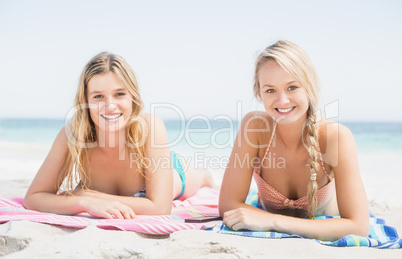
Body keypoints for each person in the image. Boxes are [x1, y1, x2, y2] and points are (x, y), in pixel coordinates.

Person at [24, 52, 212, 219]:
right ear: (86, 101)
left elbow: (161, 208)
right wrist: (84, 203)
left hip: (170, 169)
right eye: (98, 97)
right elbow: (33, 198)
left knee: (199, 178)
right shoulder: (73, 134)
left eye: (119, 94)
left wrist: (90, 195)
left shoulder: (150, 127)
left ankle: (205, 175)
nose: (110, 106)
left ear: (132, 97)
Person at [219, 40, 369, 241]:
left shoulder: (336, 137)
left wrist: (273, 222)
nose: (282, 101)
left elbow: (358, 227)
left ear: (309, 86)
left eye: (292, 87)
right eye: (270, 90)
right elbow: (228, 204)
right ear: (259, 93)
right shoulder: (254, 128)